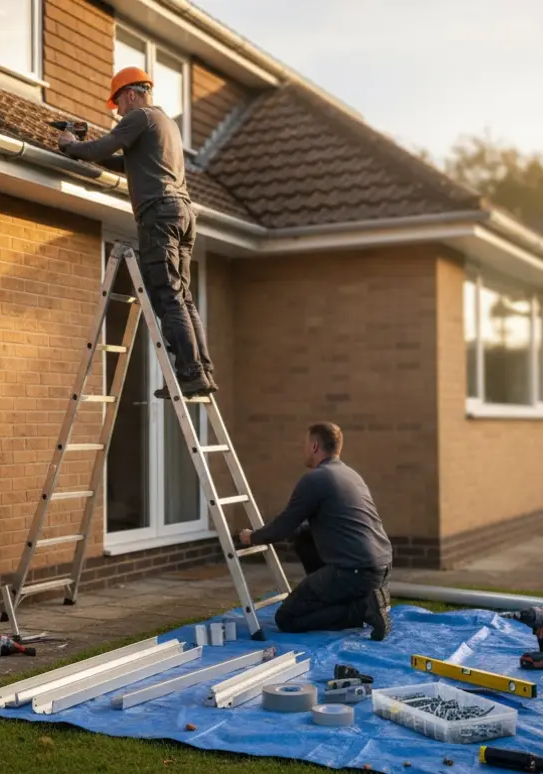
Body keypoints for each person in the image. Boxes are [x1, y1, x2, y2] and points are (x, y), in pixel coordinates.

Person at [56, 67, 216, 399]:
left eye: (118, 105)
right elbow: (123, 160)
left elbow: (103, 148)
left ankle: (189, 373)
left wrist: (71, 146)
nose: (118, 113)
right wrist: (88, 148)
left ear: (131, 94)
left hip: (159, 214)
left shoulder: (138, 116)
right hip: (183, 213)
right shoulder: (165, 124)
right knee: (182, 296)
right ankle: (202, 369)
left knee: (167, 295)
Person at [239, 422, 394, 640]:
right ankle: (364, 600)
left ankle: (362, 610)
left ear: (314, 446)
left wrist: (252, 537)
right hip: (381, 566)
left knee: (287, 618)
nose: (303, 449)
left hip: (355, 571)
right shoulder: (350, 474)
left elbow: (284, 524)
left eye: (305, 444)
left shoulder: (315, 479)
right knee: (303, 536)